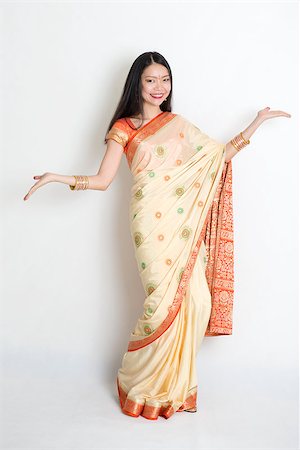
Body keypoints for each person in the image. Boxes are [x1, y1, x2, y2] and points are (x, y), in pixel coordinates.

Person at [23, 51, 291, 421]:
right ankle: (140, 384)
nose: (159, 87)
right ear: (138, 83)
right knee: (161, 302)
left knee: (197, 301)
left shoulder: (177, 124)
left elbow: (217, 157)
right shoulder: (125, 128)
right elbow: (102, 181)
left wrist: (255, 124)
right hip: (149, 223)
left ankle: (174, 388)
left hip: (181, 226)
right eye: (151, 80)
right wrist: (60, 178)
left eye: (165, 80)